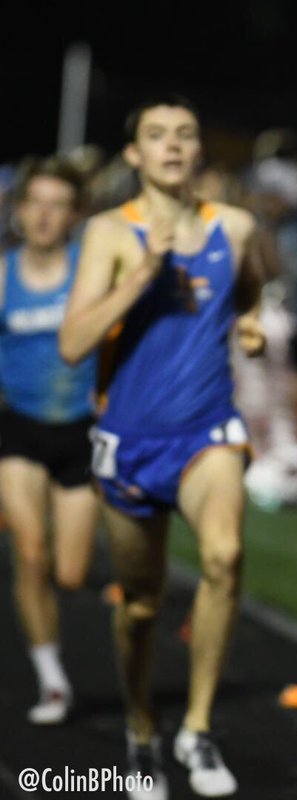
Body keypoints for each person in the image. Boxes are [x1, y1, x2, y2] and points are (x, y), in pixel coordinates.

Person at [59, 94, 268, 800]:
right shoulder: (109, 235)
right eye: (157, 135)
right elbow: (74, 344)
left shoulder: (234, 226)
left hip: (207, 431)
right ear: (134, 154)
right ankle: (142, 724)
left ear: (198, 150)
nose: (173, 145)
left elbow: (251, 289)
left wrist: (251, 325)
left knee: (224, 555)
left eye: (185, 133)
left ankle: (198, 727)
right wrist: (143, 278)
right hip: (130, 441)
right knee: (142, 604)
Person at [0, 158, 98, 725]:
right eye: (34, 202)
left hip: (79, 432)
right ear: (18, 210)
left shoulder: (89, 271)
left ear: (74, 216)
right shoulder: (4, 275)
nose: (43, 215)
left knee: (70, 574)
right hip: (20, 428)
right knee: (30, 551)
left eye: (57, 204)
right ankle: (52, 678)